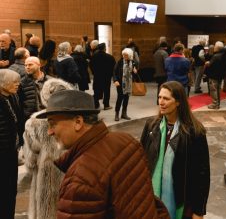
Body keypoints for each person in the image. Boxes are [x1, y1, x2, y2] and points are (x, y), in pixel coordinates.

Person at [36, 90, 169, 219]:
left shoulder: (81, 176)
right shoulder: (126, 140)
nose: (49, 132)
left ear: (78, 122)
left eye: (53, 124)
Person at [141, 81, 210, 219]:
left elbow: (202, 174)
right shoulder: (151, 126)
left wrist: (198, 210)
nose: (161, 102)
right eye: (159, 97)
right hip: (151, 198)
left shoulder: (194, 132)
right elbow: (141, 160)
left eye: (166, 98)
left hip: (181, 200)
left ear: (178, 102)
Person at [23, 78, 74, 219]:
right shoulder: (78, 118)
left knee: (47, 212)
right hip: (73, 177)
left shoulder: (34, 123)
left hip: (46, 181)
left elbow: (31, 161)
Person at [0, 69, 23, 219]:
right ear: (2, 84)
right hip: (2, 152)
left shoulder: (13, 97)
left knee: (11, 189)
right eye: (14, 82)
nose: (18, 85)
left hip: (11, 150)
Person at [19, 56, 50, 127]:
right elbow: (20, 103)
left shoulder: (50, 81)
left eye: (30, 64)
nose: (27, 67)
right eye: (25, 65)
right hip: (30, 118)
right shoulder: (22, 83)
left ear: (39, 65)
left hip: (47, 116)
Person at [113, 48, 137, 121]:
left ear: (129, 55)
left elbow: (132, 73)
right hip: (120, 83)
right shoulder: (120, 62)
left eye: (125, 55)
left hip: (128, 83)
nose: (124, 56)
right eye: (123, 55)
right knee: (120, 98)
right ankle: (116, 114)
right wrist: (115, 80)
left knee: (126, 98)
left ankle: (124, 113)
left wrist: (134, 71)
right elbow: (114, 72)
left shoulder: (132, 62)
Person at [90, 42, 115, 110]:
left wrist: (94, 73)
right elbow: (113, 67)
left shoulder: (94, 57)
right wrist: (110, 75)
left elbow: (91, 65)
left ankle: (96, 104)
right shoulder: (110, 57)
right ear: (105, 48)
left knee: (97, 90)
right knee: (106, 90)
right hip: (106, 77)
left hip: (97, 76)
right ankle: (106, 105)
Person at [205, 41, 226, 110]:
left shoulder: (216, 56)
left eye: (215, 46)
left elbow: (211, 65)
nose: (214, 47)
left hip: (213, 75)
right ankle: (217, 103)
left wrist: (207, 63)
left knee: (213, 90)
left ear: (217, 48)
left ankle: (215, 104)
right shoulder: (224, 54)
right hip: (220, 75)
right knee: (218, 90)